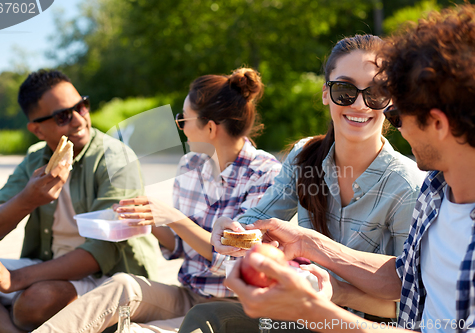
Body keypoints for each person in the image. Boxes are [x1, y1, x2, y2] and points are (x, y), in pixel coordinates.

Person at [188, 4, 475, 333]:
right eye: (344, 90)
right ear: (326, 93)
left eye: (386, 102)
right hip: (309, 314)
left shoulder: (411, 185)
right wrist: (242, 232)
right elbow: (405, 277)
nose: (360, 104)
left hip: (350, 321)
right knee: (205, 319)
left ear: (436, 121)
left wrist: (321, 301)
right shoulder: (434, 193)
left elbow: (405, 306)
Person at [33, 67, 282, 333]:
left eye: (183, 119)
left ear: (209, 128)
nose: (181, 127)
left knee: (130, 330)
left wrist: (175, 218)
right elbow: (180, 246)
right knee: (123, 285)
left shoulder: (265, 173)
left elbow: (235, 259)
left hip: (237, 309)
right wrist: (148, 218)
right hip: (189, 295)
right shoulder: (190, 165)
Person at [0, 69, 160, 332]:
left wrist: (15, 278)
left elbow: (102, 251)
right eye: (63, 115)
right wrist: (26, 200)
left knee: (35, 302)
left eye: (81, 106)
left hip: (109, 277)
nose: (78, 120)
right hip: (48, 265)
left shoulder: (116, 159)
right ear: (37, 129)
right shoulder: (36, 158)